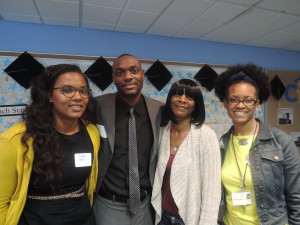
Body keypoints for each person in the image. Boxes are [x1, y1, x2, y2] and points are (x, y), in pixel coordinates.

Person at [0, 64, 100, 225]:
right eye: (67, 90)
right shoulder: (17, 139)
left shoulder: (92, 132)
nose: (78, 97)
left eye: (83, 91)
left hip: (83, 219)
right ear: (49, 95)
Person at [214, 64, 300, 225]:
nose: (240, 105)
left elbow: (296, 197)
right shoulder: (221, 144)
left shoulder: (282, 142)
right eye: (233, 99)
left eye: (248, 100)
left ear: (257, 103)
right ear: (225, 103)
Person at [93, 54, 164, 225]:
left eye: (134, 71)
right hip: (108, 206)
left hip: (145, 206)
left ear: (142, 74)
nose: (128, 77)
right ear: (113, 78)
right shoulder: (97, 106)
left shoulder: (159, 110)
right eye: (120, 72)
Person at [151, 79, 221, 225]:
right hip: (163, 218)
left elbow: (212, 193)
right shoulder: (163, 132)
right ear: (170, 99)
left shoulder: (206, 136)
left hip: (189, 220)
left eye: (189, 97)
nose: (182, 100)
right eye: (177, 95)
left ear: (196, 105)